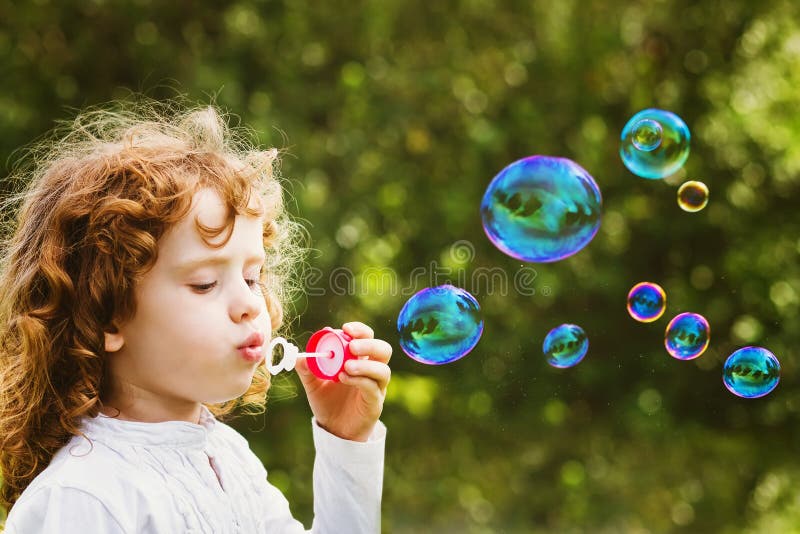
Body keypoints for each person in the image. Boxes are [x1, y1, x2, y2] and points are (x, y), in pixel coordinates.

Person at [0, 101, 392, 533]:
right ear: (107, 316)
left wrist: (346, 439)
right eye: (205, 283)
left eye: (252, 277)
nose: (249, 304)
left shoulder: (229, 458)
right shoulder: (85, 500)